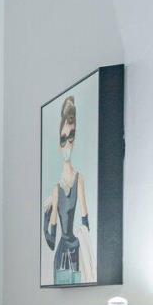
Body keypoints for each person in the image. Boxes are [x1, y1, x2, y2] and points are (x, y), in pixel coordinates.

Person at [43, 95, 94, 284]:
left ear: (75, 138)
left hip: (75, 248)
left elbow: (86, 223)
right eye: (63, 139)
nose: (67, 144)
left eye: (70, 137)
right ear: (59, 144)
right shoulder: (56, 189)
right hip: (61, 253)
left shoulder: (79, 179)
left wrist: (81, 238)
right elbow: (51, 241)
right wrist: (47, 217)